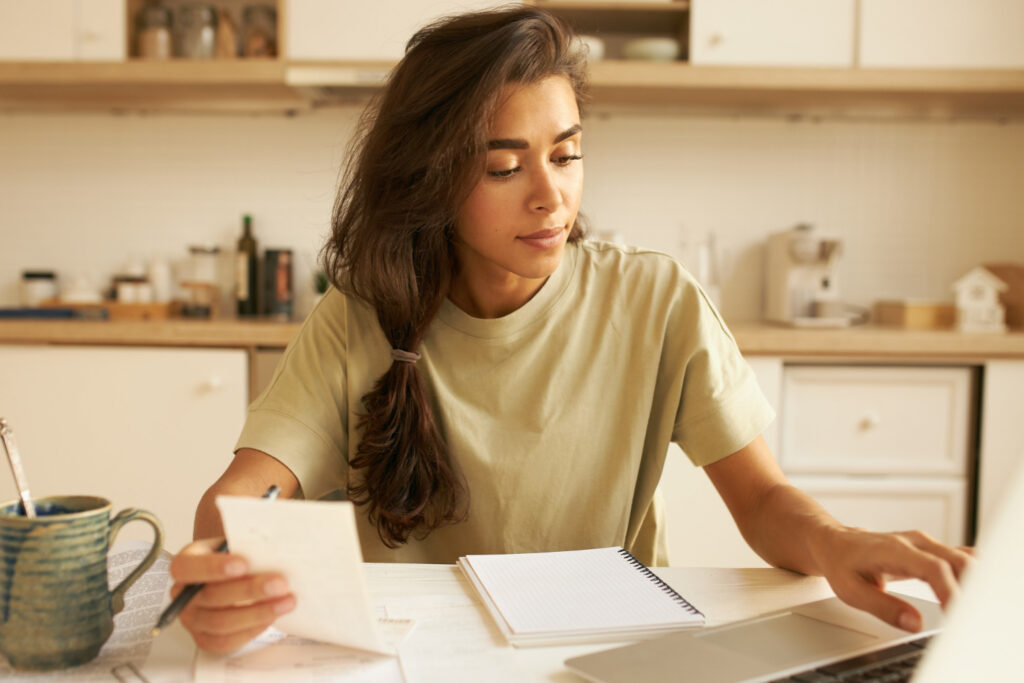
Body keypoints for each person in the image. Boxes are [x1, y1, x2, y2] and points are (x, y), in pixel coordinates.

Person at [170, 6, 973, 655]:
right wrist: (217, 561)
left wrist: (836, 543)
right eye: (505, 167)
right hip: (415, 662)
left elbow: (761, 498)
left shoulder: (655, 299)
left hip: (613, 658)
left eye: (568, 153)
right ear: (431, 176)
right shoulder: (357, 316)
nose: (551, 196)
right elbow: (251, 489)